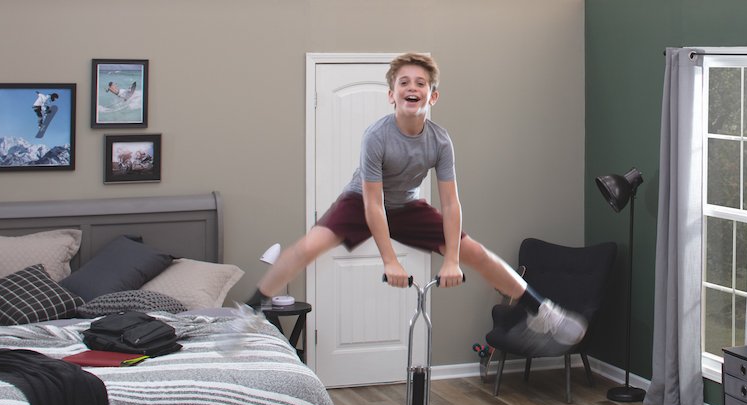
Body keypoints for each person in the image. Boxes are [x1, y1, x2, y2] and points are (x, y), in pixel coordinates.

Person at [246, 52, 585, 345]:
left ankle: (542, 310)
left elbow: (450, 203)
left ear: (432, 96)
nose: (412, 88)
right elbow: (372, 204)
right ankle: (250, 312)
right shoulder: (376, 136)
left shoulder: (439, 141)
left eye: (420, 83)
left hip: (407, 205)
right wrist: (390, 260)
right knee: (307, 248)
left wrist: (451, 258)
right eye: (404, 83)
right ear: (391, 96)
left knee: (477, 254)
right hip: (362, 200)